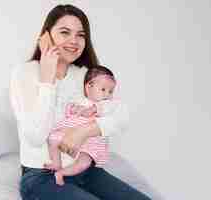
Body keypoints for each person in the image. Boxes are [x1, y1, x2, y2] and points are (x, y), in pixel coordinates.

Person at [10, 4, 152, 200]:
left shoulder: (86, 76)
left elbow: (120, 115)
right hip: (41, 176)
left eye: (80, 35)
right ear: (46, 37)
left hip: (85, 171)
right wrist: (48, 79)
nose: (74, 41)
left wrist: (84, 131)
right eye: (64, 32)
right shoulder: (25, 73)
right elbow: (35, 136)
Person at [45, 66, 118, 186]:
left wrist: (94, 109)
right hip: (70, 132)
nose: (107, 95)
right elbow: (68, 110)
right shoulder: (80, 100)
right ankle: (56, 163)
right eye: (103, 89)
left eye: (110, 91)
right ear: (89, 87)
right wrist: (75, 109)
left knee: (84, 163)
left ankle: (62, 173)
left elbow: (110, 111)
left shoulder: (107, 105)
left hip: (92, 142)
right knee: (52, 139)